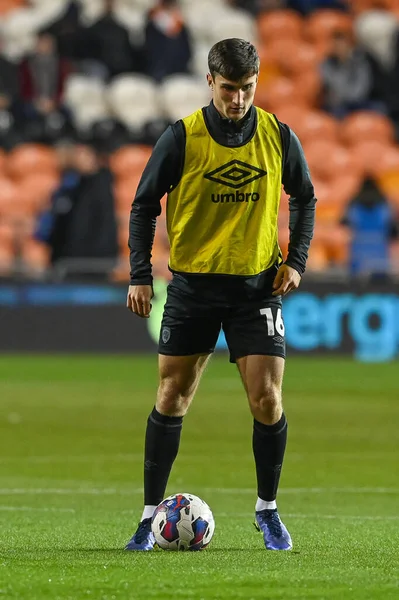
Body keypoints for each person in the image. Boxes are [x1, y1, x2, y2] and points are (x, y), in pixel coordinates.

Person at [126, 38, 316, 551]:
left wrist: (296, 260)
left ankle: (267, 510)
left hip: (256, 287)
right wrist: (140, 274)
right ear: (210, 82)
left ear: (257, 84)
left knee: (268, 399)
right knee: (171, 396)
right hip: (192, 287)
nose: (238, 100)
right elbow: (144, 206)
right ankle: (147, 519)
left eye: (247, 89)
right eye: (229, 89)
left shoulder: (278, 135)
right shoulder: (182, 138)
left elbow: (305, 197)